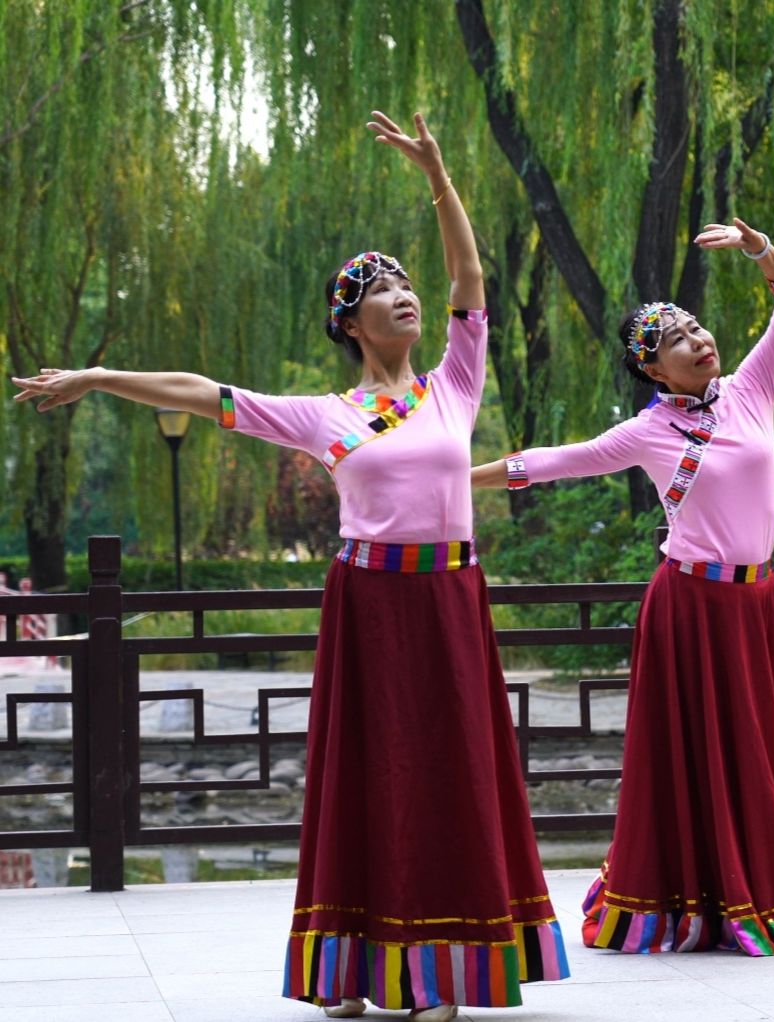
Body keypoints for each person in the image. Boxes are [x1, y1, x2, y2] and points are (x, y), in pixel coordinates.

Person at [14, 110, 569, 1019]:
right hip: (370, 603)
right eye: (379, 287)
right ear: (349, 322)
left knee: (449, 770)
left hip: (450, 598)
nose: (404, 293)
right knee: (371, 773)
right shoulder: (328, 416)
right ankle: (354, 971)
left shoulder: (453, 385)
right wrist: (98, 378)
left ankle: (439, 970)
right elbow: (204, 393)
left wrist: (437, 176)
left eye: (404, 282)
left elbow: (471, 277)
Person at [473, 217, 774, 957]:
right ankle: (676, 900)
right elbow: (551, 462)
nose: (698, 339)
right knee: (684, 757)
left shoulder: (751, 389)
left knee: (751, 752)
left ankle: (754, 890)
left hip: (750, 602)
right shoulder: (645, 432)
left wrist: (757, 249)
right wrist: (447, 472)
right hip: (689, 605)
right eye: (677, 340)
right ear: (655, 371)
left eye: (696, 327)